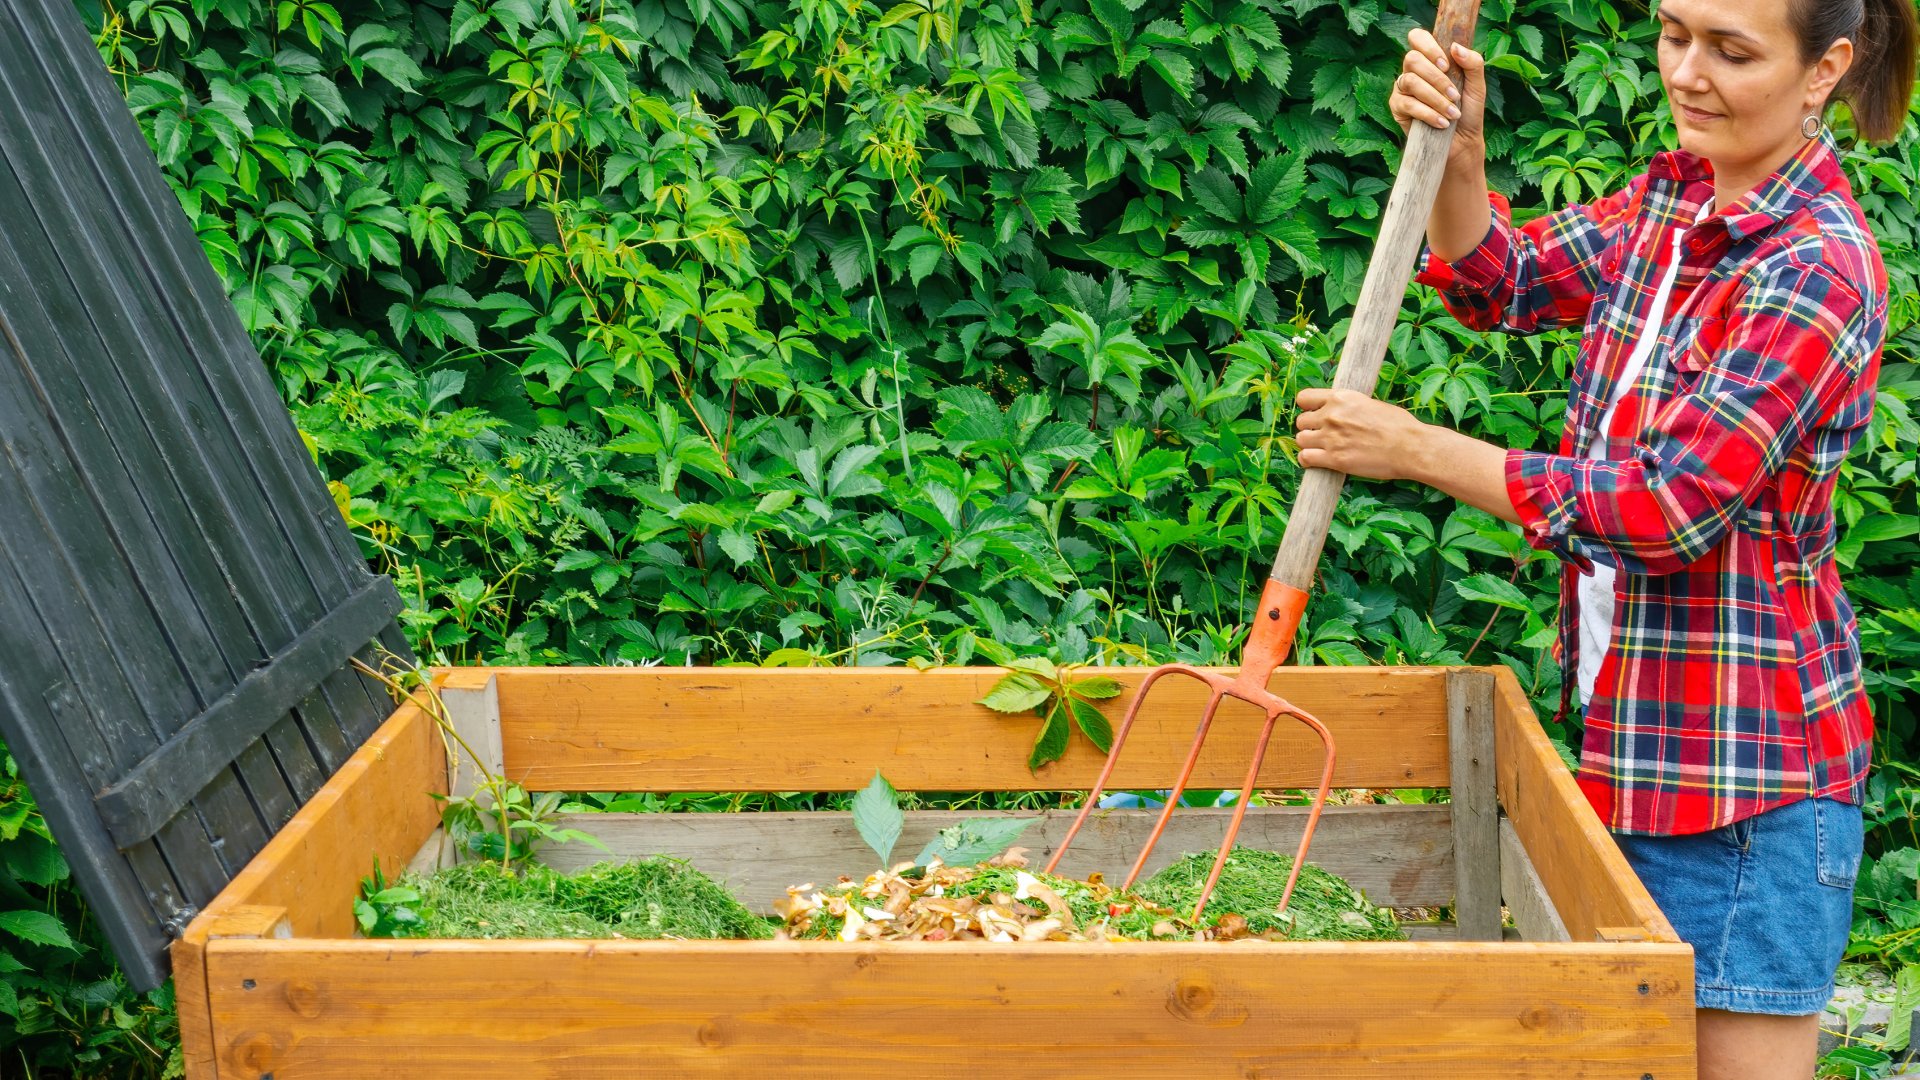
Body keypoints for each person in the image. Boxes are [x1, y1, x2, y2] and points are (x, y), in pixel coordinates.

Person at [1291, 1, 1916, 1077]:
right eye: (1675, 34)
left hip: (1744, 790)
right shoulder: (1674, 198)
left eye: (1731, 51)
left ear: (1826, 71)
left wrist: (1416, 447)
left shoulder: (1816, 264)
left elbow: (1665, 508)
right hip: (1632, 746)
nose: (1688, 72)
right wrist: (1460, 152)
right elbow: (1504, 278)